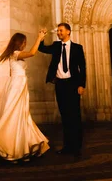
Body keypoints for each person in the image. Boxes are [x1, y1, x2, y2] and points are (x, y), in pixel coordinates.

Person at [0, 29, 50, 162]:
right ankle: (9, 146)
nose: (25, 44)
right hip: (17, 85)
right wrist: (39, 37)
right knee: (14, 114)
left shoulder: (12, 55)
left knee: (21, 114)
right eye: (24, 42)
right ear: (19, 43)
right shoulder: (15, 53)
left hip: (18, 85)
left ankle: (20, 146)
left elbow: (11, 73)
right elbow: (32, 53)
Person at [38, 22, 86, 157]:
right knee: (65, 116)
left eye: (61, 31)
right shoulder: (56, 46)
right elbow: (42, 49)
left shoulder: (77, 48)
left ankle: (76, 147)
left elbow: (82, 68)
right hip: (60, 85)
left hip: (73, 84)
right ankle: (67, 146)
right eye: (58, 31)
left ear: (68, 32)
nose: (58, 33)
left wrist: (82, 85)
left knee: (75, 116)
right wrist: (41, 38)